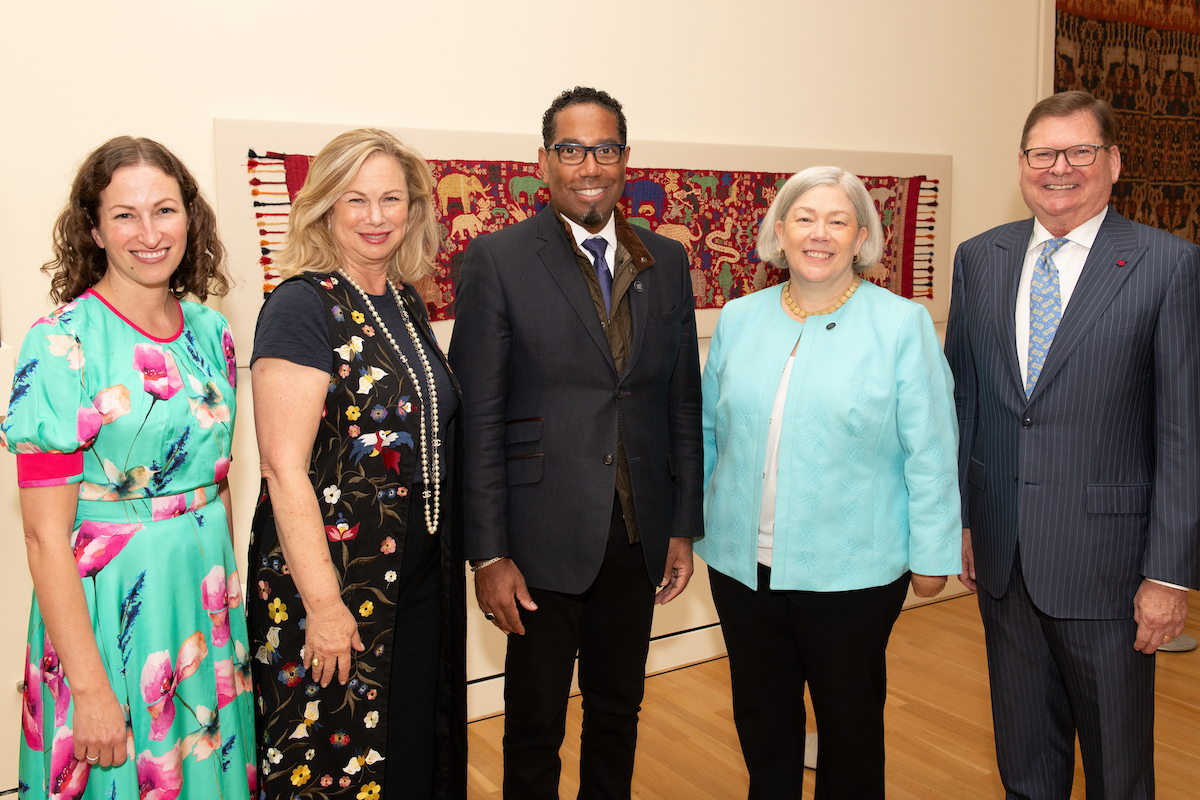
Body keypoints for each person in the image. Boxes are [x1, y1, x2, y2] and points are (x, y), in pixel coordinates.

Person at [448, 86, 703, 800]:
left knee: (618, 712)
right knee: (534, 726)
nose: (588, 165)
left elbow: (682, 399)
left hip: (636, 533)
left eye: (604, 149)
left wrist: (683, 525)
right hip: (538, 540)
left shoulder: (668, 260)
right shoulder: (497, 261)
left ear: (625, 159)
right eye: (571, 149)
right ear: (544, 161)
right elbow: (482, 416)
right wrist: (489, 553)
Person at [946, 90, 1200, 799]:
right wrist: (963, 520)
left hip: (1111, 571)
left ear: (1114, 162)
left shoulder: (1168, 265)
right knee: (1026, 765)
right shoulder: (980, 259)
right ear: (1022, 164)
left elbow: (1185, 431)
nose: (1059, 168)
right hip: (1004, 560)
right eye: (1042, 153)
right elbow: (965, 401)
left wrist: (1169, 575)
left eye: (1080, 151)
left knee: (1118, 773)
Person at [697, 165, 961, 799]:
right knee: (763, 722)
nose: (820, 234)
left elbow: (930, 449)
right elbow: (709, 432)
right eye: (806, 219)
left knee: (849, 729)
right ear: (780, 231)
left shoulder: (901, 325)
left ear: (862, 236)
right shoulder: (739, 318)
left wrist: (933, 554)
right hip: (740, 568)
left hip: (854, 573)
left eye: (838, 220)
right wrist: (689, 529)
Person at [1, 136, 254, 798]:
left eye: (164, 210)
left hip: (204, 603)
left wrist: (229, 610)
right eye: (125, 214)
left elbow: (216, 480)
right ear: (94, 229)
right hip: (108, 610)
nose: (149, 232)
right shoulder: (61, 342)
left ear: (190, 218)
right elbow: (42, 536)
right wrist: (87, 688)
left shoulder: (212, 331)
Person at [246, 128, 466, 800]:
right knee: (335, 764)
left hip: (415, 573)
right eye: (356, 200)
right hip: (336, 585)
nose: (376, 217)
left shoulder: (401, 299)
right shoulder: (300, 307)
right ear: (324, 209)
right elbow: (283, 470)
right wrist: (323, 605)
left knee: (407, 752)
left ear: (414, 209)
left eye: (391, 199)